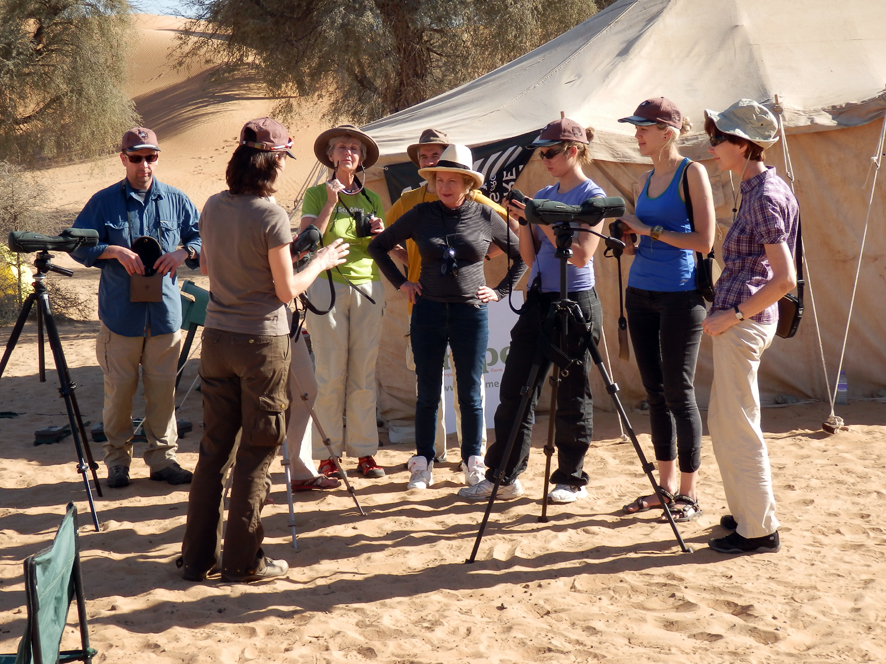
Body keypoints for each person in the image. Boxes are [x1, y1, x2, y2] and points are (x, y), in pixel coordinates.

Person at [180, 117, 348, 582]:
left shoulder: (213, 205)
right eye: (282, 159)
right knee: (257, 451)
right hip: (261, 342)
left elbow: (210, 266)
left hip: (217, 338)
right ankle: (243, 561)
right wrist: (320, 261)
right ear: (272, 161)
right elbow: (286, 289)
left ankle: (196, 558)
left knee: (214, 451)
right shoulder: (270, 215)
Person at [458, 117, 606, 504]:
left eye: (551, 152)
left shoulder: (593, 196)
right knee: (515, 389)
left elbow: (580, 255)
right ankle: (504, 476)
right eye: (541, 153)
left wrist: (542, 219)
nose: (545, 159)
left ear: (573, 151)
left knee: (573, 393)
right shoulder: (544, 193)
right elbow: (528, 256)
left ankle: (571, 479)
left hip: (576, 299)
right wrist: (525, 221)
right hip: (539, 299)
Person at [368, 144, 525, 490]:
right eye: (439, 180)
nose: (444, 186)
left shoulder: (485, 215)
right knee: (427, 391)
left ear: (468, 184)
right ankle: (423, 463)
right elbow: (377, 245)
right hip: (428, 311)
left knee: (470, 392)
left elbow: (522, 254)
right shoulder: (420, 213)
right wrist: (402, 283)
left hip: (471, 313)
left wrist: (500, 291)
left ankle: (472, 461)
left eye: (453, 180)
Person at [71, 127, 200, 489]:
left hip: (165, 317)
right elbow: (76, 244)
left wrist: (183, 252)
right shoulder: (103, 202)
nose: (144, 165)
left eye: (151, 157)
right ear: (123, 159)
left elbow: (201, 236)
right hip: (120, 318)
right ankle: (117, 462)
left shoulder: (177, 199)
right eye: (137, 157)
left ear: (157, 158)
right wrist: (112, 251)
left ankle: (163, 460)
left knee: (163, 394)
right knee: (119, 395)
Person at [702, 99, 798, 554]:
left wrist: (733, 315)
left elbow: (785, 278)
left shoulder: (764, 196)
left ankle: (759, 529)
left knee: (738, 424)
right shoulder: (759, 188)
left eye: (719, 138)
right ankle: (746, 513)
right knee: (728, 420)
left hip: (745, 322)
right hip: (742, 321)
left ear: (742, 144)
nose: (712, 145)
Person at [615, 98, 716, 522]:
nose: (637, 134)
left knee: (679, 393)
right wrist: (629, 239)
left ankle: (689, 495)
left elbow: (705, 242)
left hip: (680, 295)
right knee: (654, 394)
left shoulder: (692, 172)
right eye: (636, 127)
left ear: (668, 133)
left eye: (644, 128)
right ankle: (666, 487)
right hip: (639, 292)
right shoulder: (642, 178)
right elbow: (640, 239)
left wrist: (648, 229)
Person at [301, 125, 386, 480]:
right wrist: (331, 203)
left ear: (361, 158)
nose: (349, 152)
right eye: (342, 147)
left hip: (368, 285)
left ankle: (365, 452)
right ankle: (327, 455)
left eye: (354, 148)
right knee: (329, 372)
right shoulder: (316, 194)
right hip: (326, 286)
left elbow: (379, 246)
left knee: (364, 371)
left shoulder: (372, 198)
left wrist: (380, 231)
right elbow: (308, 239)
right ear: (330, 155)